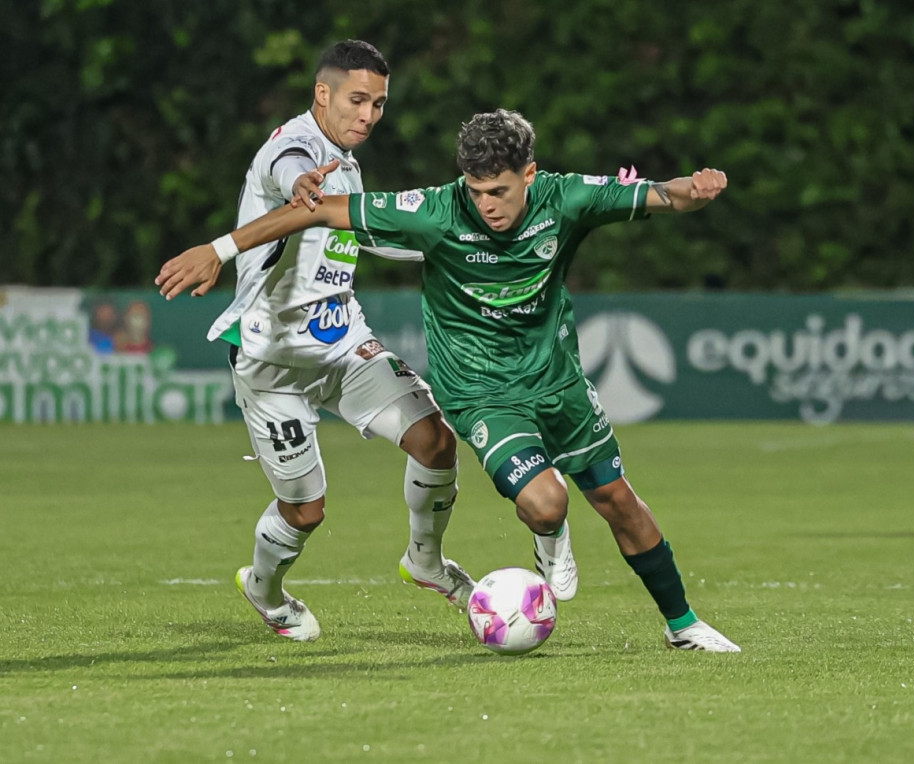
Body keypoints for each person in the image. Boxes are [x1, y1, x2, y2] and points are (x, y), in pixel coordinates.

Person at [158, 108, 741, 652]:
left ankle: (684, 626)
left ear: (529, 175)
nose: (486, 205)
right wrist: (219, 249)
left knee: (619, 501)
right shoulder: (434, 210)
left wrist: (696, 189)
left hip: (558, 381)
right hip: (480, 392)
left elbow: (663, 194)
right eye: (476, 191)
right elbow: (315, 209)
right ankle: (548, 533)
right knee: (546, 503)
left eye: (499, 191)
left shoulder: (567, 198)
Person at [174, 40, 475, 643]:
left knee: (436, 441)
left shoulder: (346, 162)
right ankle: (264, 589)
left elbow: (367, 233)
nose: (369, 115)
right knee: (306, 510)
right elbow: (291, 173)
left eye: (379, 104)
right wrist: (296, 188)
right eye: (357, 100)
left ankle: (425, 561)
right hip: (271, 361)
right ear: (322, 93)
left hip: (343, 346)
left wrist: (450, 244)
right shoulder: (292, 147)